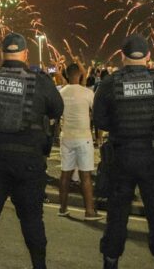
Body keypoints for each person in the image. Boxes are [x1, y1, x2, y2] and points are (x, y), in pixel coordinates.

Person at [0, 33, 64, 269]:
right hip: (29, 162)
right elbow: (57, 109)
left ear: (2, 53)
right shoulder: (40, 81)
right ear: (25, 54)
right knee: (32, 220)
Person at [93, 35, 154, 269]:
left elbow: (99, 120)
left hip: (121, 156)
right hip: (152, 157)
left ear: (122, 56)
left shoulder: (110, 83)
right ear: (148, 56)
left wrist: (119, 127)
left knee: (117, 215)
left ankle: (110, 261)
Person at [58, 63, 102, 220]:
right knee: (85, 176)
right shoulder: (87, 93)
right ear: (80, 75)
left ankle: (63, 208)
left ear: (67, 75)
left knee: (65, 174)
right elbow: (97, 112)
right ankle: (89, 211)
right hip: (83, 137)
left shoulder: (61, 92)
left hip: (66, 136)